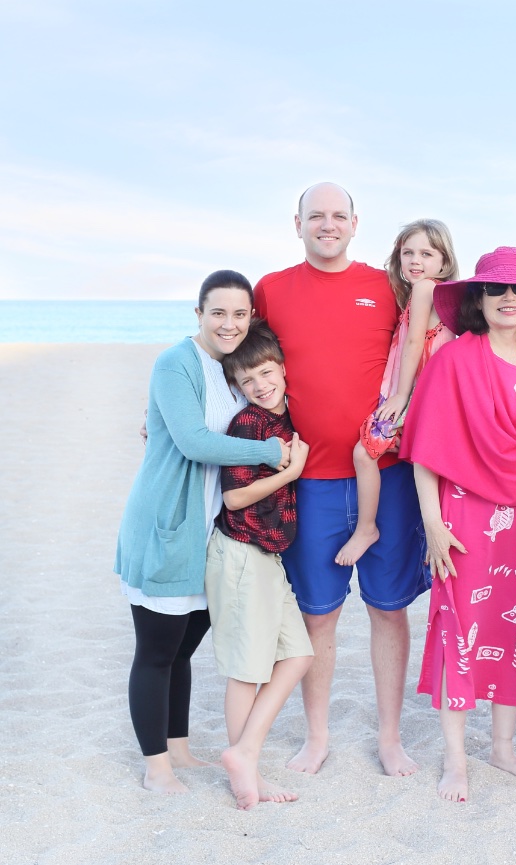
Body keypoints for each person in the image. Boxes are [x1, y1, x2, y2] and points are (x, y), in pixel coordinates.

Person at [254, 182, 430, 777]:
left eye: (338, 216)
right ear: (296, 222)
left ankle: (389, 737)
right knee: (318, 615)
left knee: (388, 609)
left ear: (356, 223)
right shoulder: (272, 290)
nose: (326, 225)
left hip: (391, 476)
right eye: (315, 216)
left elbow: (431, 349)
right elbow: (235, 361)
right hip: (311, 480)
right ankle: (317, 735)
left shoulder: (386, 287)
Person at [400, 247, 516, 803]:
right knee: (459, 628)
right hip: (462, 511)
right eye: (496, 289)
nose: (509, 298)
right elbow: (425, 447)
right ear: (478, 297)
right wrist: (431, 522)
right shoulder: (455, 358)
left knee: (514, 630)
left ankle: (502, 746)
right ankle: (456, 759)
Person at [114, 271, 291, 794]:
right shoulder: (177, 362)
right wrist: (270, 453)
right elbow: (192, 441)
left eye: (239, 314)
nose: (229, 323)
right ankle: (156, 766)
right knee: (156, 649)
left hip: (208, 533)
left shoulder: (227, 368)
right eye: (218, 313)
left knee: (183, 647)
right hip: (167, 523)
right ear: (199, 314)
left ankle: (179, 750)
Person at [204, 321, 314, 810]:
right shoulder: (250, 424)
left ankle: (244, 752)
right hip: (242, 551)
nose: (259, 386)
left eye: (266, 373)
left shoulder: (288, 416)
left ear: (283, 370)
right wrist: (290, 471)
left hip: (268, 557)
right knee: (248, 669)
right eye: (247, 382)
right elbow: (234, 497)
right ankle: (245, 771)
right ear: (238, 388)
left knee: (297, 655)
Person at [337, 219, 459, 567]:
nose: (414, 260)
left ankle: (366, 529)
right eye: (407, 252)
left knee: (364, 453)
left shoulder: (425, 290)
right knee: (427, 466)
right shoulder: (432, 295)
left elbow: (414, 345)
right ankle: (431, 535)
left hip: (414, 396)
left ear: (444, 261)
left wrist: (400, 396)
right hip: (430, 400)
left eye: (426, 253)